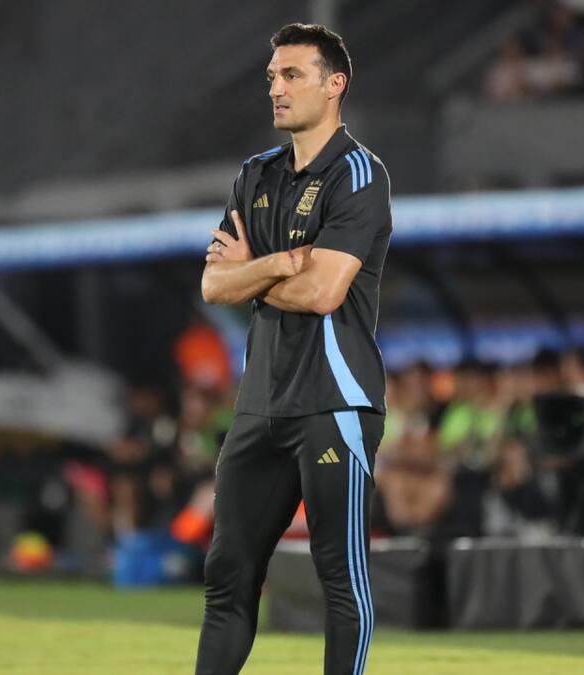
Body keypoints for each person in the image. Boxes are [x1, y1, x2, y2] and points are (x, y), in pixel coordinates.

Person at [196, 23, 392, 675]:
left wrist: (253, 274)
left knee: (340, 575)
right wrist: (279, 261)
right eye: (272, 77)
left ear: (336, 84)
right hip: (260, 404)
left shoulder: (360, 174)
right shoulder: (254, 175)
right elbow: (212, 281)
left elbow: (322, 293)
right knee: (228, 575)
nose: (276, 89)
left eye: (292, 76)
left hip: (334, 400)